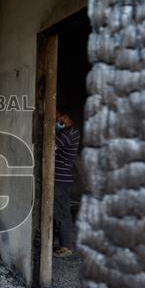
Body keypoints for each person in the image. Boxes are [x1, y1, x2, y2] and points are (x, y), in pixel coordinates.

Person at [53, 104, 81, 258]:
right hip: (62, 178)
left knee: (62, 212)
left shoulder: (68, 134)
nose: (58, 119)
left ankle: (66, 246)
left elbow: (51, 146)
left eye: (59, 116)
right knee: (60, 211)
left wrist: (54, 129)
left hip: (60, 179)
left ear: (66, 117)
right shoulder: (70, 131)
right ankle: (63, 244)